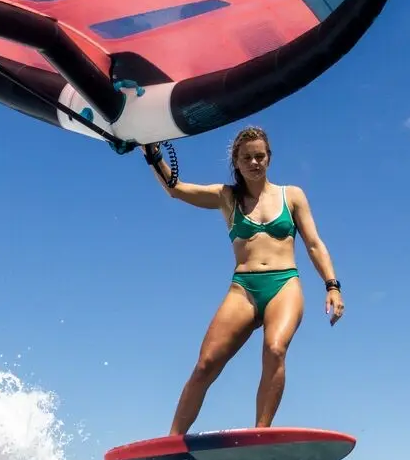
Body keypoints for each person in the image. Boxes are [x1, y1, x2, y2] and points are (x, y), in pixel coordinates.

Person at [144, 126, 343, 436]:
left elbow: (314, 244)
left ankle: (260, 432)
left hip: (284, 284)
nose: (254, 163)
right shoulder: (227, 197)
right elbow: (175, 188)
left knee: (275, 348)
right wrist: (151, 152)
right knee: (205, 364)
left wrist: (332, 285)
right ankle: (172, 441)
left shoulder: (291, 195)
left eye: (260, 156)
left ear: (269, 158)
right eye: (247, 157)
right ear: (236, 162)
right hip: (244, 288)